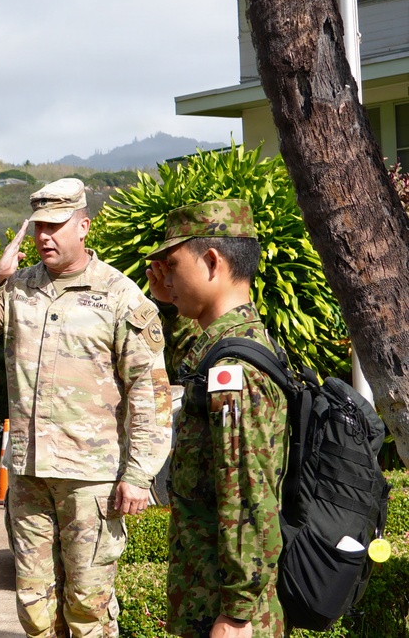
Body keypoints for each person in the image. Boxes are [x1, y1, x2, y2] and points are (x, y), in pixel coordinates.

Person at [0, 178, 173, 638]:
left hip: (92, 479)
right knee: (34, 606)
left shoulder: (119, 296)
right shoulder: (17, 290)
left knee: (88, 607)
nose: (44, 236)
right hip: (29, 476)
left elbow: (150, 392)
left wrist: (138, 474)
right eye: (38, 227)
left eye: (55, 226)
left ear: (83, 226)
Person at [145, 200, 287, 638]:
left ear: (211, 261)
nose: (165, 277)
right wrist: (170, 302)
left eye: (171, 265)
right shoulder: (231, 345)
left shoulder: (233, 375)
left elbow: (247, 496)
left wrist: (238, 614)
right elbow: (190, 354)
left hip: (224, 615)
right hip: (211, 602)